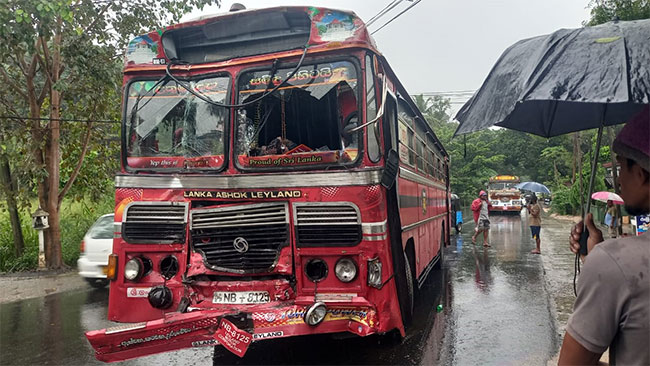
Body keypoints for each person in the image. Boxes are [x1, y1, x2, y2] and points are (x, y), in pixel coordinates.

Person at [558, 106, 649, 365]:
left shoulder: (616, 261)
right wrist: (594, 256)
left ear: (641, 173)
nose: (618, 182)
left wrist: (602, 259)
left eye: (621, 168)